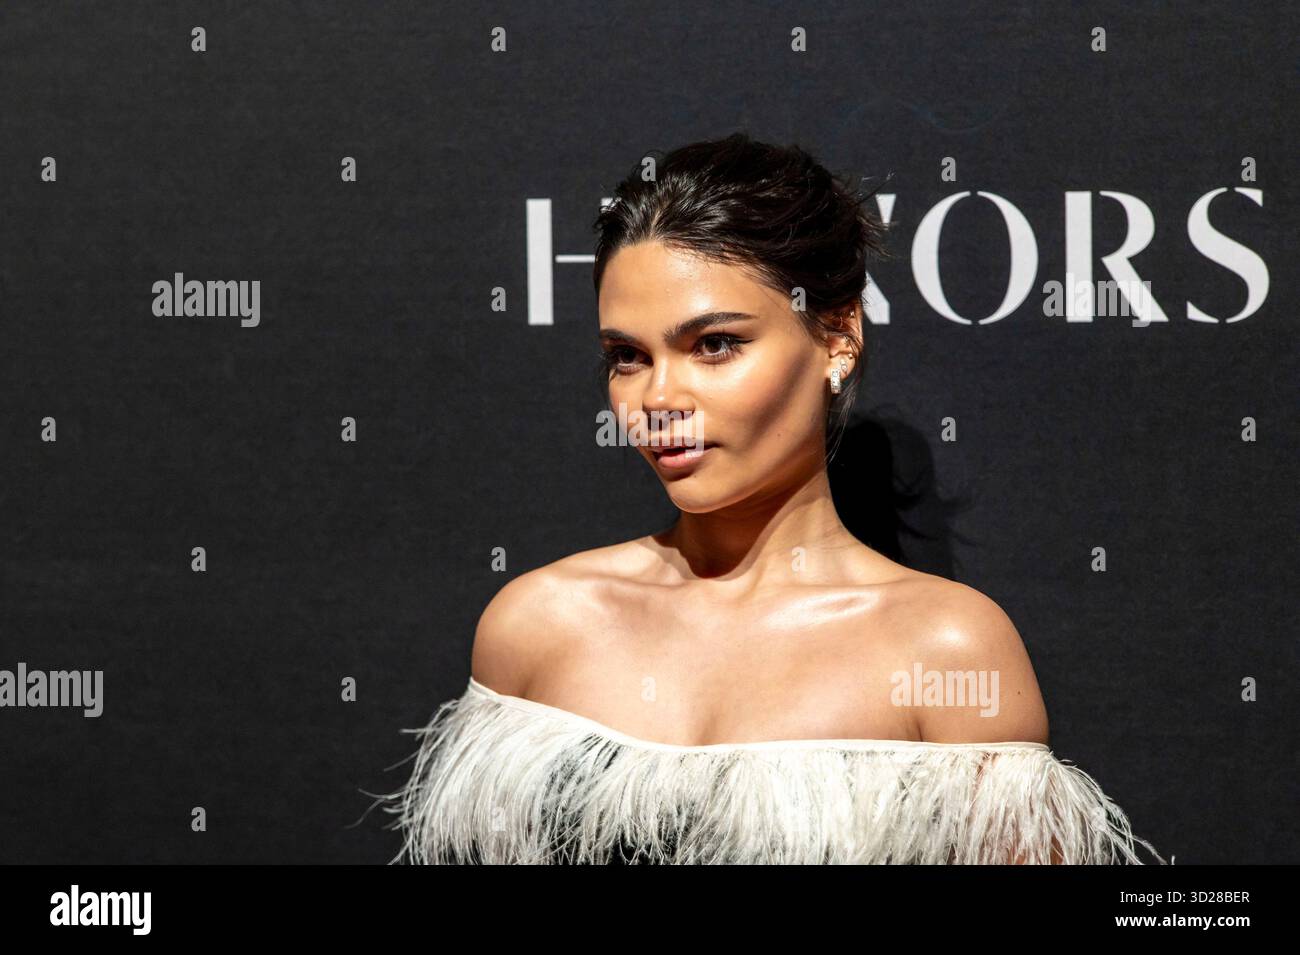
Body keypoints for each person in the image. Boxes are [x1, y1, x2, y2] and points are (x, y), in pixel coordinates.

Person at [374, 132, 1166, 865]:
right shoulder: (537, 626)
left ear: (837, 337)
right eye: (626, 356)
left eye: (714, 344)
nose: (660, 398)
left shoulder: (945, 651)